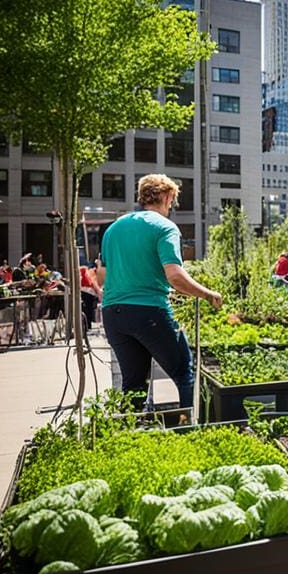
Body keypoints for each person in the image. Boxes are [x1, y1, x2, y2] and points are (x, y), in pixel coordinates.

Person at [99, 174, 222, 410]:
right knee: (185, 373)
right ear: (166, 196)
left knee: (133, 384)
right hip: (148, 312)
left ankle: (131, 437)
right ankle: (190, 431)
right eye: (172, 200)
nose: (171, 207)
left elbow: (102, 277)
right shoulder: (165, 228)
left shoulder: (114, 229)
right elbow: (175, 276)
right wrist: (208, 294)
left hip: (113, 315)